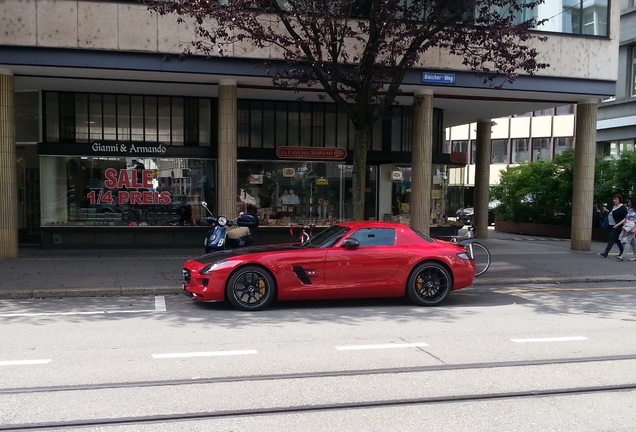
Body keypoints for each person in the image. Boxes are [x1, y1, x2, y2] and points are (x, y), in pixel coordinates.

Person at [599, 193, 628, 258]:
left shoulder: (623, 208)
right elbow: (611, 213)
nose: (614, 200)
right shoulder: (613, 206)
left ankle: (606, 252)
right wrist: (606, 211)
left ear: (619, 199)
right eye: (614, 199)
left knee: (611, 237)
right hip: (611, 225)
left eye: (616, 199)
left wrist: (622, 225)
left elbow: (626, 218)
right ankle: (622, 251)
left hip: (618, 226)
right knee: (617, 239)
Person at [614, 196, 636, 261]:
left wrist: (631, 222)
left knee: (628, 241)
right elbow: (625, 219)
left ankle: (622, 256)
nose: (629, 203)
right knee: (633, 242)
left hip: (633, 227)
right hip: (627, 227)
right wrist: (617, 225)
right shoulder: (630, 210)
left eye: (630, 202)